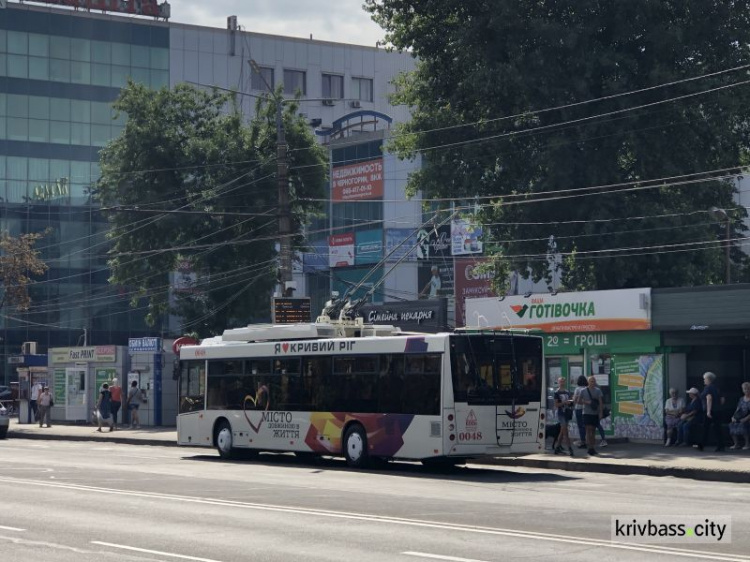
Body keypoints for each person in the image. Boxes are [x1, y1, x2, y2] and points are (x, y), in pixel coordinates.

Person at [697, 371, 724, 452]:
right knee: (718, 428)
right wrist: (718, 406)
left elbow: (709, 398)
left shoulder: (707, 388)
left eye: (704, 379)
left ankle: (701, 445)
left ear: (708, 379)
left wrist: (708, 411)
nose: (704, 380)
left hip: (710, 411)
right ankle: (721, 446)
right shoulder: (717, 387)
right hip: (718, 410)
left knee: (705, 428)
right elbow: (722, 399)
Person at [581, 376, 603, 456]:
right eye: (591, 381)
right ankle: (589, 447)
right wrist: (587, 402)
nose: (592, 383)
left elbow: (600, 402)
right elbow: (578, 401)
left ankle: (592, 447)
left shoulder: (598, 390)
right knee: (588, 429)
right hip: (586, 413)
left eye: (593, 381)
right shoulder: (583, 391)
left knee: (593, 430)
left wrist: (601, 412)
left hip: (595, 413)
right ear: (588, 382)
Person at [552, 377, 574, 457]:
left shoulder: (567, 392)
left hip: (567, 413)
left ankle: (557, 447)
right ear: (558, 382)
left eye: (563, 381)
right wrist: (564, 402)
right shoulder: (556, 392)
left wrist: (571, 402)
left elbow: (571, 401)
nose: (562, 383)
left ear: (564, 382)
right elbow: (556, 404)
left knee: (562, 431)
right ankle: (570, 448)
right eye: (560, 381)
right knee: (565, 431)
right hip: (561, 413)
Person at [729, 382, 750, 450]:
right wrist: (733, 417)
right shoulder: (741, 399)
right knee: (732, 424)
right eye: (745, 389)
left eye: (748, 389)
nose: (746, 390)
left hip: (748, 417)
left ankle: (747, 444)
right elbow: (738, 409)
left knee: (743, 425)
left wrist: (745, 419)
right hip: (740, 416)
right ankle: (736, 444)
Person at [572, 375, 588, 448]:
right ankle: (587, 441)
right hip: (586, 409)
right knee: (586, 426)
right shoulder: (587, 389)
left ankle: (583, 441)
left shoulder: (577, 389)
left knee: (581, 426)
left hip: (578, 409)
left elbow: (575, 400)